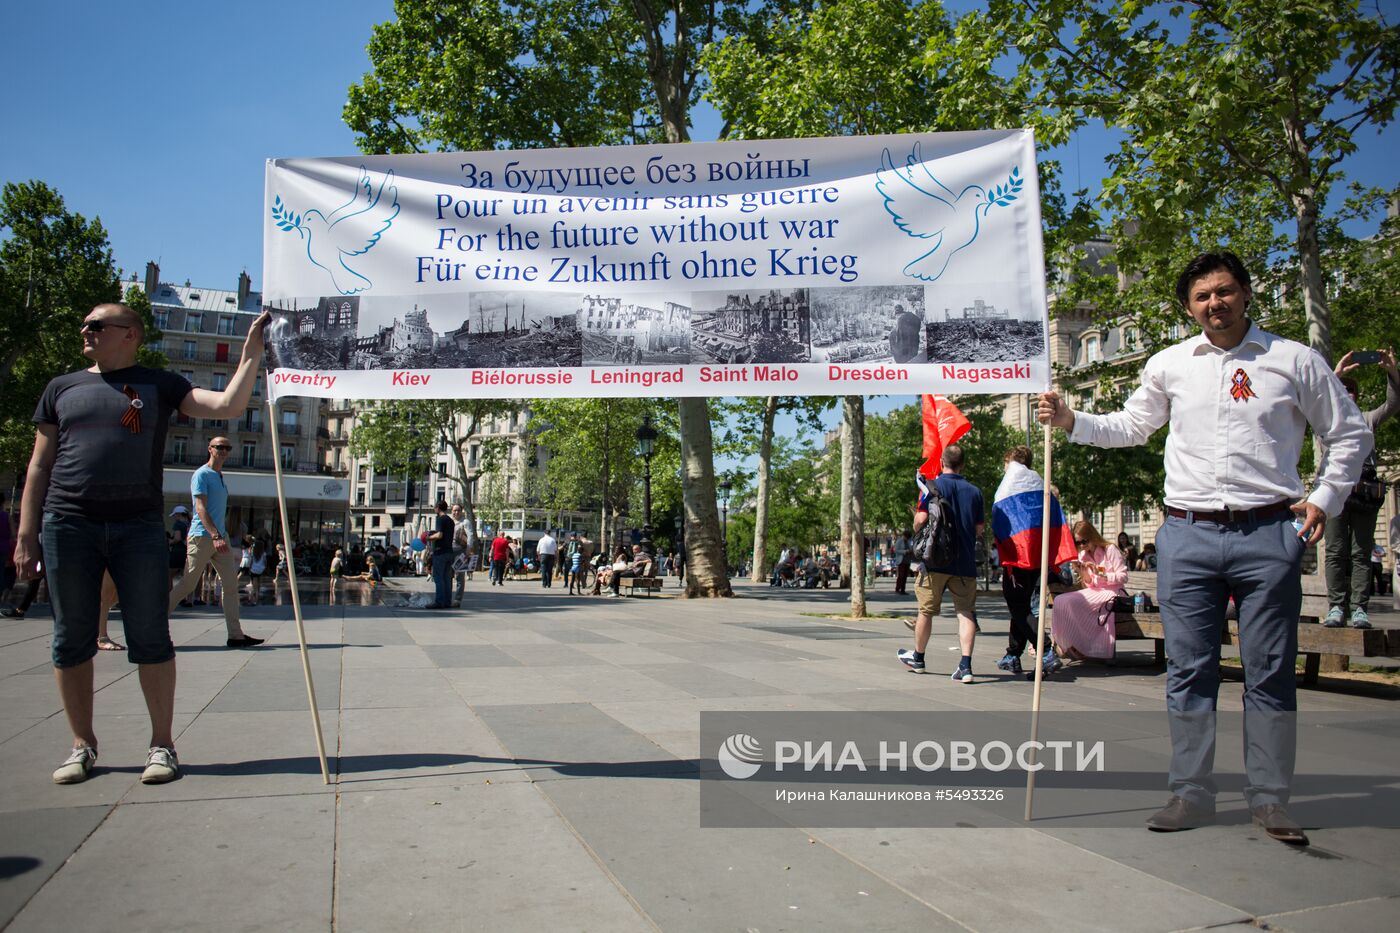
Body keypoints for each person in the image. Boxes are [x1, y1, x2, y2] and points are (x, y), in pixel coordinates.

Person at [1039, 250, 1370, 844]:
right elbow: (1130, 427)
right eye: (1201, 297)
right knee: (1189, 671)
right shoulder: (1170, 364)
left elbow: (1349, 432)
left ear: (1245, 293)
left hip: (1269, 532)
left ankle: (1270, 798)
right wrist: (1071, 420)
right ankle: (1190, 791)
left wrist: (1326, 496)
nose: (1214, 304)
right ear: (1189, 308)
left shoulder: (1293, 360)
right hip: (1186, 535)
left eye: (1224, 291)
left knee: (1269, 670)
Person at [15, 301, 271, 786]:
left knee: (151, 637)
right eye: (85, 324)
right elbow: (39, 465)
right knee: (70, 638)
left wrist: (250, 354)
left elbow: (227, 406)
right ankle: (82, 745)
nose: (85, 330)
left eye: (97, 325)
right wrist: (27, 532)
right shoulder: (61, 388)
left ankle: (162, 745)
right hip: (68, 524)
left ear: (130, 334)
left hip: (136, 527)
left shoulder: (161, 384)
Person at [1323, 349, 1399, 628]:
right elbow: (1315, 396)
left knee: (1360, 551)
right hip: (1335, 491)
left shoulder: (1367, 420)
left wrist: (1392, 372)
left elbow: (1393, 403)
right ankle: (1335, 606)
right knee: (1335, 550)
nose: (1348, 393)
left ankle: (1359, 609)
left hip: (1364, 492)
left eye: (1352, 390)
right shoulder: (1326, 420)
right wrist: (1336, 374)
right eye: (1343, 389)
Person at [897, 444, 984, 683]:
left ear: (943, 462)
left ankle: (919, 659)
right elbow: (979, 528)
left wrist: (917, 526)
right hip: (965, 562)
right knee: (966, 612)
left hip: (935, 561)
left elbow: (921, 520)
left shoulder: (932, 487)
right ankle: (965, 666)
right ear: (963, 464)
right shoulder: (975, 492)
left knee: (926, 611)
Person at [167, 437, 265, 647]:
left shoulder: (220, 476)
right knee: (187, 584)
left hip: (221, 538)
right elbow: (200, 508)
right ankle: (153, 627)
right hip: (203, 536)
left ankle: (235, 635)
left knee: (230, 586)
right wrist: (215, 535)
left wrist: (222, 536)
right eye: (220, 447)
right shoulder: (201, 474)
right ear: (210, 449)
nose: (224, 451)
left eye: (228, 448)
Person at [991, 446, 1077, 677]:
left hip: (1018, 557)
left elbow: (1001, 518)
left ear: (1010, 460)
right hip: (1036, 556)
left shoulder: (1011, 483)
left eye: (1005, 462)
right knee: (1021, 605)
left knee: (1017, 605)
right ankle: (1013, 654)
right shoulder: (1039, 483)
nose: (1004, 467)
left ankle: (1046, 651)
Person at [1049, 521, 1129, 661]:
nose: (1081, 546)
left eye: (1084, 541)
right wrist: (1082, 572)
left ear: (1092, 536)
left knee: (1073, 602)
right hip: (1095, 591)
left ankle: (1078, 645)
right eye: (1078, 542)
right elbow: (1089, 584)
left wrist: (1102, 575)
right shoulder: (1083, 555)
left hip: (1113, 592)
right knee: (1060, 600)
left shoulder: (1110, 549)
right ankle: (1067, 643)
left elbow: (1123, 577)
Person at [426, 501, 454, 609]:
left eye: (435, 507)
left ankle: (439, 601)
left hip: (440, 551)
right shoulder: (450, 520)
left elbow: (440, 534)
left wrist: (429, 538)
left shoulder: (440, 519)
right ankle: (447, 601)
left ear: (438, 508)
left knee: (438, 577)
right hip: (449, 551)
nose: (434, 509)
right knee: (447, 578)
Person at [450, 503, 472, 607]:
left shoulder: (465, 522)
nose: (456, 512)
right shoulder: (450, 522)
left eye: (458, 510)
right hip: (449, 551)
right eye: (454, 510)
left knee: (459, 576)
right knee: (448, 575)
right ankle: (447, 597)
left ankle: (457, 600)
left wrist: (468, 549)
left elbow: (470, 535)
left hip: (460, 551)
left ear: (461, 511)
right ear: (451, 511)